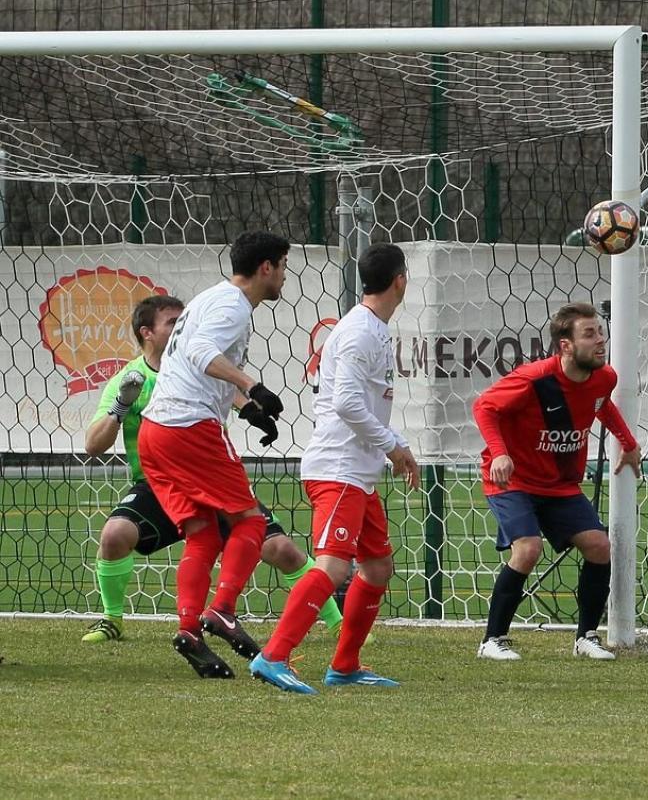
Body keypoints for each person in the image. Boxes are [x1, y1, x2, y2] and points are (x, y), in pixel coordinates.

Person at [80, 295, 343, 644]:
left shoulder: (193, 367)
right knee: (114, 535)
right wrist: (120, 405)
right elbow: (93, 446)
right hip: (157, 487)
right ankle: (113, 619)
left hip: (206, 479)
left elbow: (230, 396)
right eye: (172, 323)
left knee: (280, 549)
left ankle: (338, 624)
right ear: (147, 333)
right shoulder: (128, 379)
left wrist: (254, 412)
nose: (180, 328)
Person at [250, 243, 418, 695]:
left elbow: (364, 405)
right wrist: (390, 447)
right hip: (339, 469)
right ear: (400, 280)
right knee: (333, 566)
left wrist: (397, 445)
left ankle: (344, 666)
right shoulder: (360, 331)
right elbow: (344, 403)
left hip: (357, 474)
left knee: (378, 566)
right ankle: (274, 655)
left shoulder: (373, 328)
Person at [138, 230, 290, 678]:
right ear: (266, 267)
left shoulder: (209, 298)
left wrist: (247, 409)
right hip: (190, 428)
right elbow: (203, 353)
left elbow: (184, 360)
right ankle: (222, 610)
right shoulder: (232, 306)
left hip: (157, 430)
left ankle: (189, 630)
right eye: (282, 266)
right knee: (251, 521)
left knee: (203, 533)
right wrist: (250, 384)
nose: (284, 276)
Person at [473, 302, 642, 661]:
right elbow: (484, 407)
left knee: (600, 546)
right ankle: (492, 640)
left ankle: (586, 638)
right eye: (590, 333)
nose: (601, 340)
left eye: (600, 332)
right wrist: (500, 452)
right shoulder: (535, 379)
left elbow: (601, 405)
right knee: (528, 548)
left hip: (559, 485)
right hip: (513, 480)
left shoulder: (604, 377)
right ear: (565, 345)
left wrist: (628, 443)